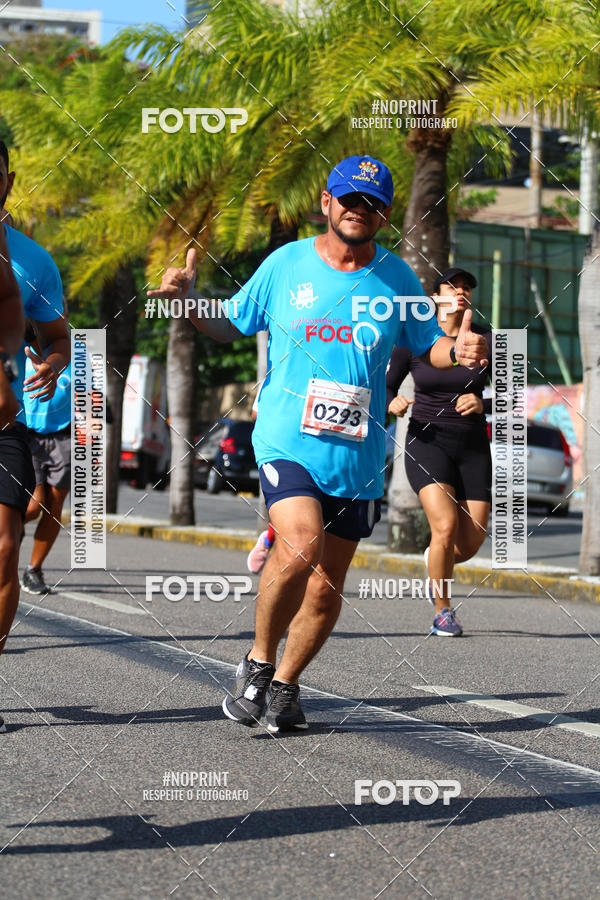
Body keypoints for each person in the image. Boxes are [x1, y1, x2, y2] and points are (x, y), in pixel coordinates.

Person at [150, 155, 488, 732]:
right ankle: (258, 663)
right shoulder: (286, 264)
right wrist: (185, 299)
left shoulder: (397, 277)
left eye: (374, 204)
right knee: (300, 544)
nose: (361, 210)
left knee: (327, 591)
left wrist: (454, 352)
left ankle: (286, 685)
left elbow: (428, 345)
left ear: (384, 215)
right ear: (328, 204)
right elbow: (231, 321)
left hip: (357, 454)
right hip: (287, 437)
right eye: (350, 200)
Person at [0, 140, 70, 732]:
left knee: (2, 549)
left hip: (7, 420)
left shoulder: (31, 260)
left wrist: (52, 360)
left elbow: (58, 335)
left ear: (9, 180)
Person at [386, 267, 492, 637]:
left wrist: (482, 402)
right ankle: (443, 611)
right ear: (436, 296)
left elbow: (512, 398)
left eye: (467, 286)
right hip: (427, 442)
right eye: (453, 285)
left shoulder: (488, 340)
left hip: (473, 445)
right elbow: (385, 388)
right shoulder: (414, 339)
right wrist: (394, 402)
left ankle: (436, 560)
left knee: (471, 541)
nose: (462, 290)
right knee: (444, 527)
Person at [21, 315, 71, 595]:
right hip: (26, 435)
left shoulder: (75, 353)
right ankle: (12, 528)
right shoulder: (18, 349)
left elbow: (91, 394)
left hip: (63, 434)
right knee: (34, 505)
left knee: (54, 505)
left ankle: (33, 570)